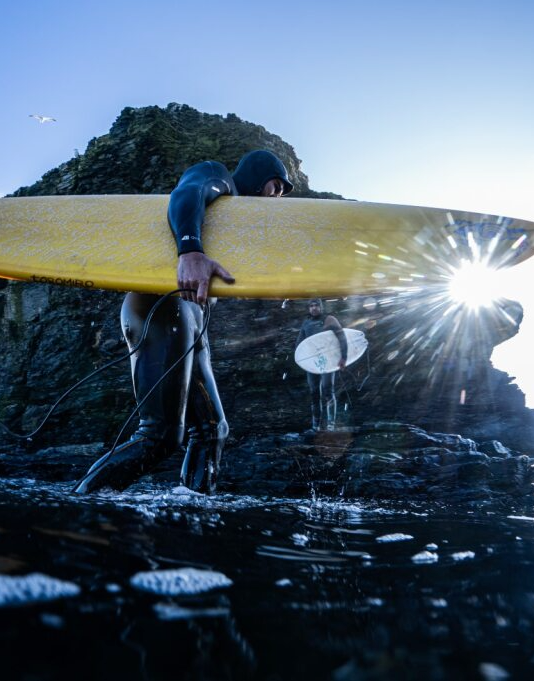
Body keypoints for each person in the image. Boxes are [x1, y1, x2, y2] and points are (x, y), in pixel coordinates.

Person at [73, 150, 293, 494]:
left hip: (192, 322)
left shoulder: (237, 232)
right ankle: (80, 505)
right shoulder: (217, 176)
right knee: (160, 435)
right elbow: (186, 193)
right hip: (162, 308)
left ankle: (194, 508)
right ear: (257, 175)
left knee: (213, 430)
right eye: (276, 186)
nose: (277, 197)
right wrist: (190, 251)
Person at [296, 298, 347, 432]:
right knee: (314, 393)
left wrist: (344, 357)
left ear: (321, 307)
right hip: (313, 362)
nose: (314, 308)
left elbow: (342, 338)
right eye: (311, 306)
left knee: (327, 390)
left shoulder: (329, 319)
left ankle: (331, 426)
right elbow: (299, 345)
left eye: (316, 305)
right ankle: (315, 426)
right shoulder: (306, 323)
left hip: (328, 360)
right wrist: (302, 360)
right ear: (308, 308)